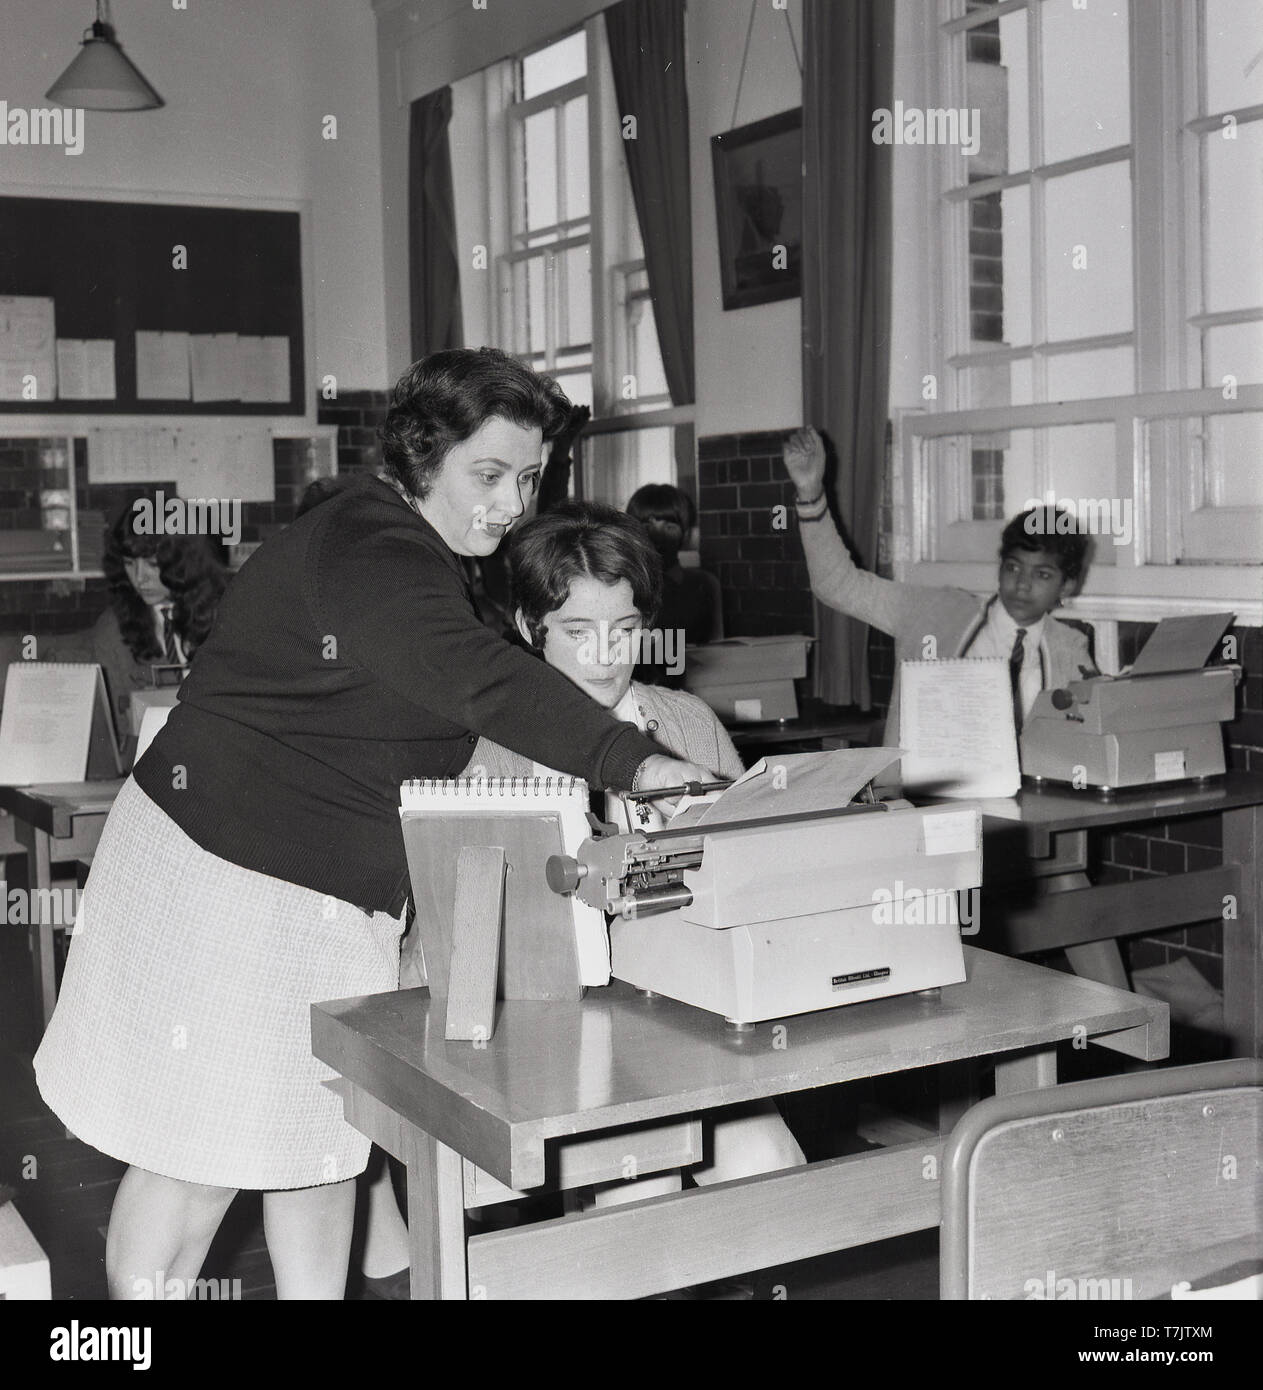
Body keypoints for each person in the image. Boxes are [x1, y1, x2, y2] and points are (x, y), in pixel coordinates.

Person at [32, 348, 709, 1301]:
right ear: (421, 456)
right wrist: (635, 760)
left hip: (324, 898)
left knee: (320, 1149)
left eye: (527, 478)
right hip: (224, 877)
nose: (511, 503)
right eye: (488, 474)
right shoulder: (370, 546)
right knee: (196, 1163)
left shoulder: (429, 559)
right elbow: (479, 677)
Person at [433, 501, 805, 1205]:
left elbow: (752, 878)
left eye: (625, 629)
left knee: (768, 1164)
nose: (606, 654)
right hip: (551, 1034)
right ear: (526, 630)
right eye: (577, 632)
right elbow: (459, 941)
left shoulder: (686, 725)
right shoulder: (491, 753)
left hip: (683, 1013)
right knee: (645, 1183)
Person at [780, 426, 1095, 745]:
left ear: (1066, 586)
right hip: (920, 794)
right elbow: (838, 585)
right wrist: (810, 494)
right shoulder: (931, 611)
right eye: (1013, 567)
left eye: (1042, 574)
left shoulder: (1070, 649)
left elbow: (1086, 740)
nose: (1022, 584)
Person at [625, 484, 723, 688]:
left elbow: (718, 651)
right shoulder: (621, 585)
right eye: (647, 525)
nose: (657, 536)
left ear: (685, 534)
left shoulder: (704, 585)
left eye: (669, 527)